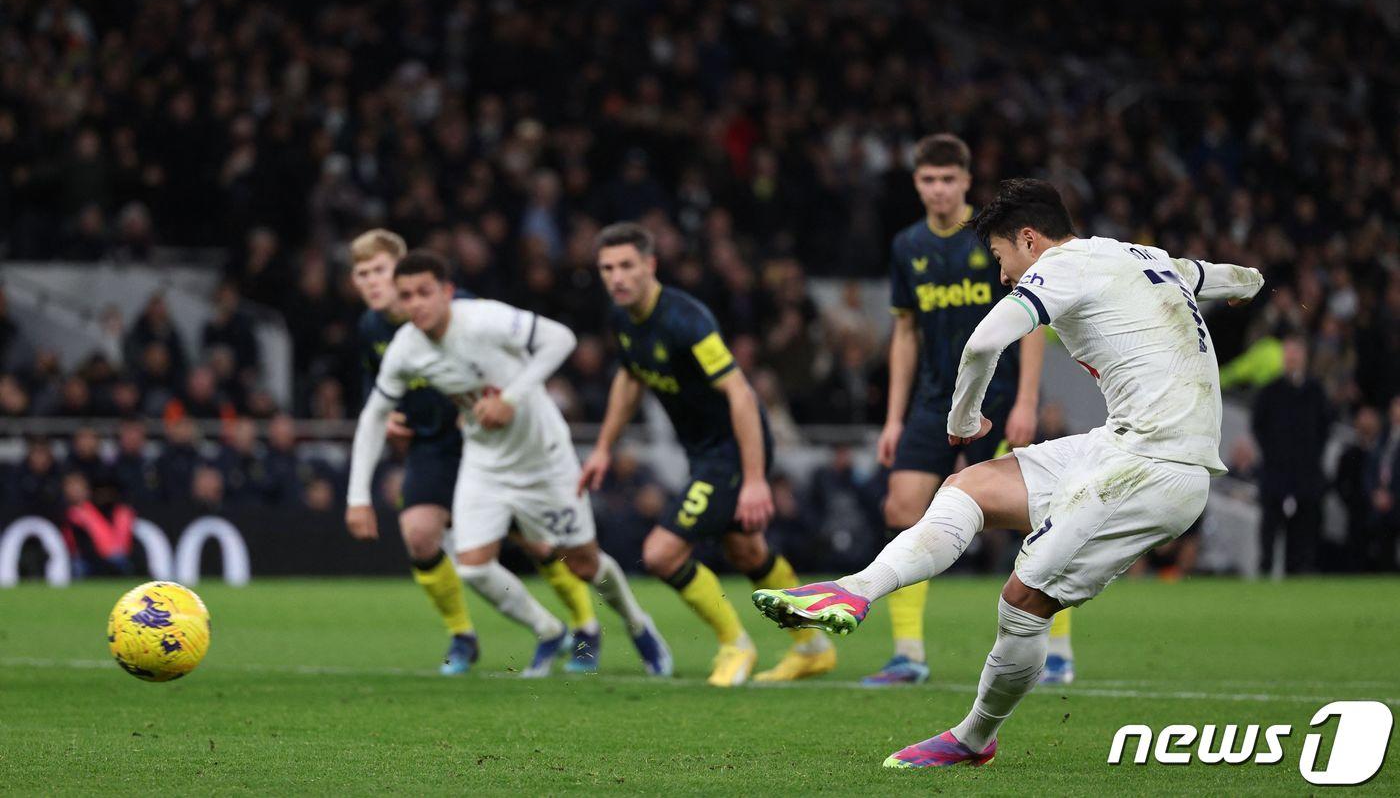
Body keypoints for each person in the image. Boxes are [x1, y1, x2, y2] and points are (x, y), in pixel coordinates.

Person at [753, 178, 1264, 769]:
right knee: (969, 488)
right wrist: (1250, 285)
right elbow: (1225, 276)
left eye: (1001, 258)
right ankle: (855, 590)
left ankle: (974, 739)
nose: (1002, 276)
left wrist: (963, 418)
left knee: (1023, 601)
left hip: (1156, 469)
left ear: (1028, 239)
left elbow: (981, 344)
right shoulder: (1140, 255)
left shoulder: (1063, 265)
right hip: (1121, 446)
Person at [346, 250, 670, 679]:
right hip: (485, 461)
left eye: (425, 292)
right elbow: (373, 416)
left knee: (583, 563)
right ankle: (548, 630)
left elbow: (561, 339)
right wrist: (357, 497)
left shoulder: (484, 319)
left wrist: (511, 398)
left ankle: (637, 624)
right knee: (472, 566)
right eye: (407, 296)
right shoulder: (405, 347)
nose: (416, 303)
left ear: (447, 292)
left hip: (543, 457)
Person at [579, 222, 836, 686]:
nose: (616, 277)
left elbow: (740, 393)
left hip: (732, 448)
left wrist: (754, 479)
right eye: (607, 268)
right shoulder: (621, 318)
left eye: (626, 266)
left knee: (661, 553)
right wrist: (602, 448)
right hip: (703, 452)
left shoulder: (686, 320)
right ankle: (813, 647)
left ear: (650, 265)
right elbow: (630, 377)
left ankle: (735, 643)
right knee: (747, 551)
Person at [868, 133, 1071, 687]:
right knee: (901, 506)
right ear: (916, 183)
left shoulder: (993, 240)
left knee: (1035, 516)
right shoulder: (907, 246)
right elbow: (904, 333)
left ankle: (1056, 649)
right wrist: (893, 418)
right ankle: (908, 654)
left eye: (947, 179)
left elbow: (1032, 321)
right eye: (928, 180)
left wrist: (1026, 401)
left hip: (998, 398)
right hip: (935, 400)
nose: (938, 190)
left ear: (965, 181)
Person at [1251, 335, 1331, 574]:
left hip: (1306, 478)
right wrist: (1273, 454)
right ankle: (1265, 576)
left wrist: (1310, 456)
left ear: (1304, 357)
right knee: (1268, 535)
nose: (1292, 359)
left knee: (1301, 539)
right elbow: (1258, 426)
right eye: (1288, 354)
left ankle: (1297, 578)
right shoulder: (1270, 391)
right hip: (1275, 476)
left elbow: (1324, 428)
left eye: (1296, 354)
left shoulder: (1316, 392)